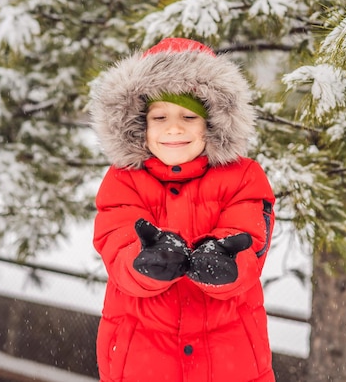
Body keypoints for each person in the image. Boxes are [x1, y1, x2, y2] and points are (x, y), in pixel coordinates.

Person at [88, 37, 276, 382]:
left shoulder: (244, 177)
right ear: (140, 126)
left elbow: (249, 238)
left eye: (189, 116)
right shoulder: (123, 180)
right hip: (142, 360)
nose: (174, 128)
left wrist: (223, 261)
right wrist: (143, 261)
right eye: (159, 116)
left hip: (229, 359)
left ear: (213, 123)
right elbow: (116, 241)